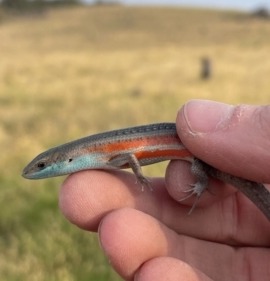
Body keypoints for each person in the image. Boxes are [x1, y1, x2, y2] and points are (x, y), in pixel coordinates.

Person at [59, 100, 270, 281]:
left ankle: (203, 184)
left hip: (197, 153)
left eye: (42, 166)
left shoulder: (99, 152)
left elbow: (131, 156)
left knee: (197, 169)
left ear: (66, 160)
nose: (39, 171)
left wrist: (141, 176)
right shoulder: (96, 154)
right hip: (192, 154)